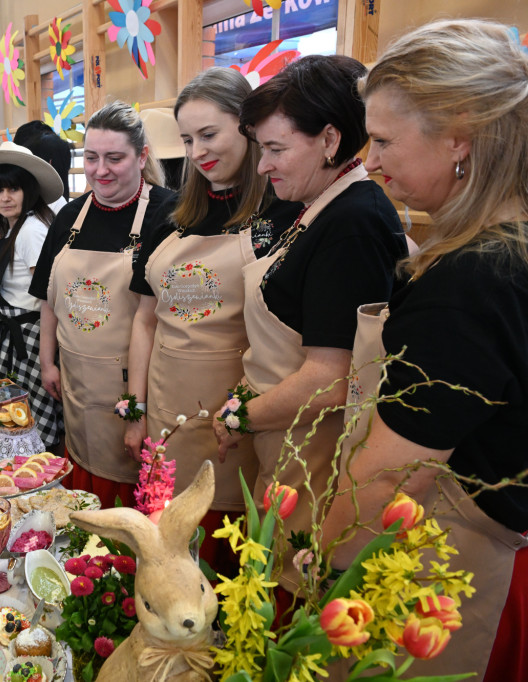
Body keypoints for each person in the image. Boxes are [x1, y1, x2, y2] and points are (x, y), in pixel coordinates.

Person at [319, 20, 528, 680]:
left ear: (458, 137)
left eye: (382, 140)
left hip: (462, 587)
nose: (371, 162)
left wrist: (313, 558)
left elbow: (385, 485)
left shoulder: (474, 282)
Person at [211, 56, 408, 591]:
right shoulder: (315, 204)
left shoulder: (354, 221)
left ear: (329, 139)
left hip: (314, 454)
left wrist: (239, 418)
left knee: (295, 592)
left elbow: (330, 378)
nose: (262, 167)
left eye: (276, 150)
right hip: (285, 436)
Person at [125, 69, 301, 573]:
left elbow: (288, 343)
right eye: (186, 139)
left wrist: (244, 410)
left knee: (224, 561)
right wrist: (134, 409)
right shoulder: (170, 216)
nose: (198, 152)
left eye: (209, 135)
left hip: (239, 420)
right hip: (166, 411)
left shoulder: (283, 216)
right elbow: (145, 320)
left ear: (247, 129)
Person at [28, 101, 173, 507]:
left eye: (115, 158)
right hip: (77, 387)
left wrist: (139, 407)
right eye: (91, 158)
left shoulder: (169, 214)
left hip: (134, 386)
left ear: (142, 157)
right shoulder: (69, 218)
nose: (100, 170)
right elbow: (48, 299)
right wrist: (47, 362)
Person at [0, 141, 66, 451]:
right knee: (17, 417)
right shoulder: (12, 228)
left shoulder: (30, 230)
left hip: (32, 338)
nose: (5, 198)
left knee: (32, 420)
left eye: (14, 189)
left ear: (28, 191)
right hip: (18, 334)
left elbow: (50, 294)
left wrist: (47, 360)